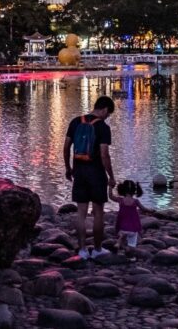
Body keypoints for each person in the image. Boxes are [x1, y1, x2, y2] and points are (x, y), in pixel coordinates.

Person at [63, 95, 116, 260]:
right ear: (105, 109)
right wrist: (111, 176)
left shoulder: (75, 122)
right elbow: (104, 154)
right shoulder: (103, 127)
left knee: (81, 213)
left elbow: (66, 147)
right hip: (96, 173)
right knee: (98, 212)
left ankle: (82, 250)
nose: (107, 117)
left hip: (79, 171)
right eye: (108, 114)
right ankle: (98, 249)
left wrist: (68, 168)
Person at [109, 180, 148, 258]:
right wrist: (151, 210)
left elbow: (110, 196)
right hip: (133, 228)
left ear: (122, 189)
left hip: (122, 228)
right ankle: (130, 255)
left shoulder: (120, 200)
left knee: (122, 238)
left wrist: (110, 187)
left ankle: (119, 243)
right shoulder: (135, 201)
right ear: (134, 190)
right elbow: (144, 209)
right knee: (132, 246)